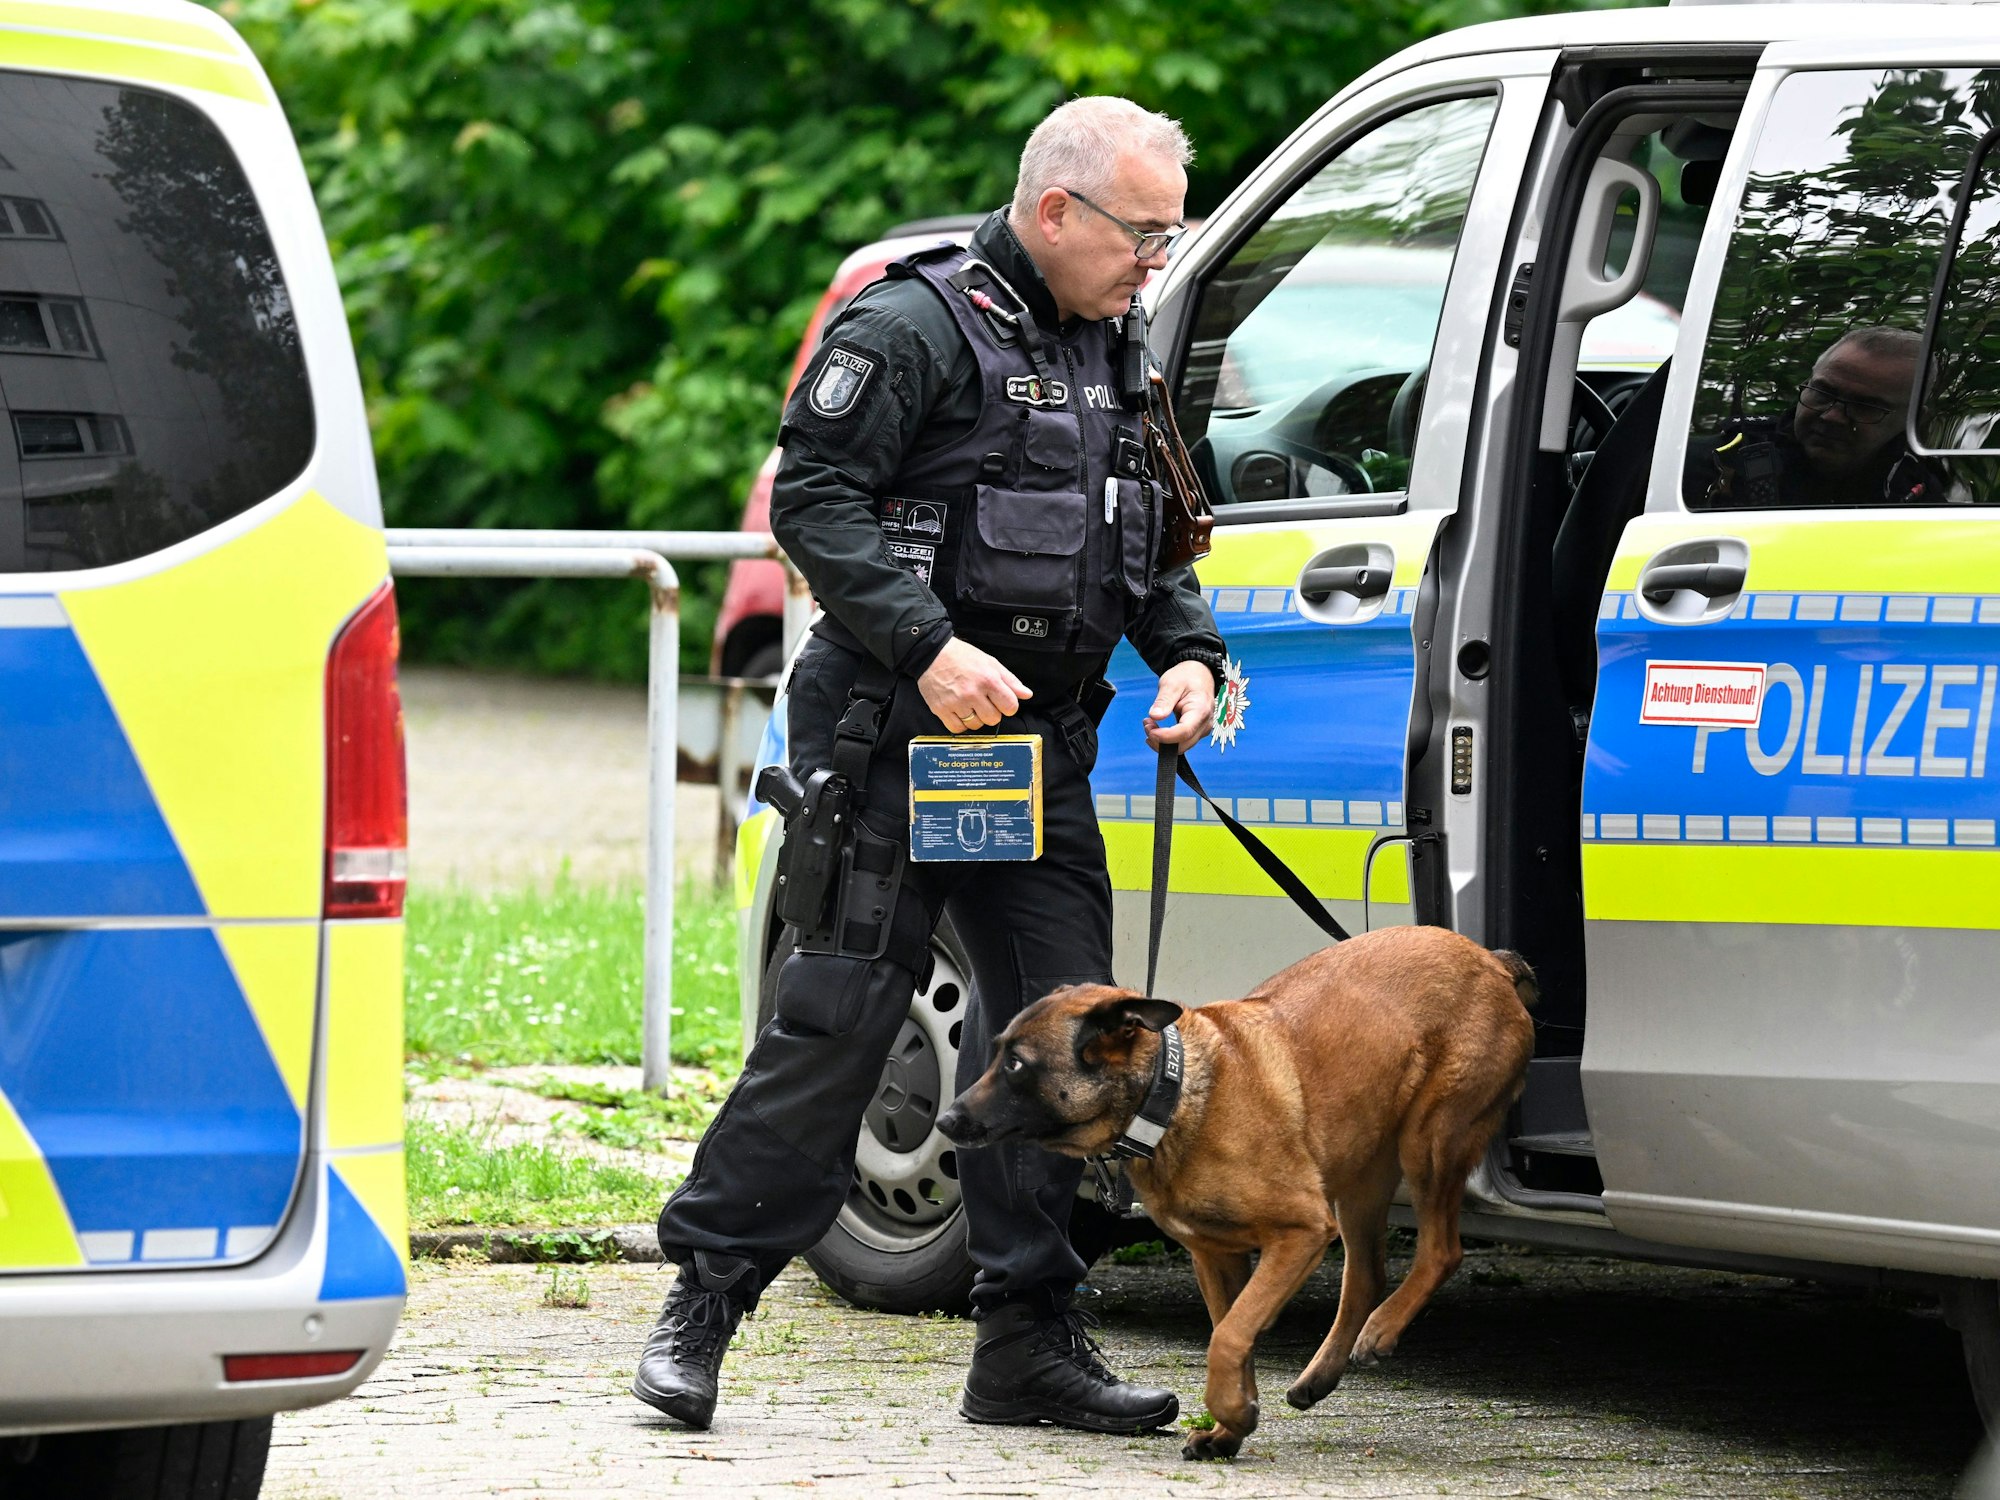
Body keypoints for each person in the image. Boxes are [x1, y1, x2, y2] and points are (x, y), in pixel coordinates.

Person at [631, 97, 1229, 1435]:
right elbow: (811, 502)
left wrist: (1188, 654)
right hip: (888, 743)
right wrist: (929, 648)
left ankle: (1026, 1344)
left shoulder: (1117, 350)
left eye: (1170, 237)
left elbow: (1148, 540)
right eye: (1145, 232)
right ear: (1057, 209)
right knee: (836, 1028)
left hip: (1034, 763)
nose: (1159, 260)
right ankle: (704, 1307)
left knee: (1071, 1046)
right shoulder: (910, 327)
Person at [1685, 326, 1942, 508]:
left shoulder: (1918, 495)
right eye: (1822, 392)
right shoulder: (1710, 465)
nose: (1832, 416)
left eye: (1864, 406)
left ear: (1914, 420)